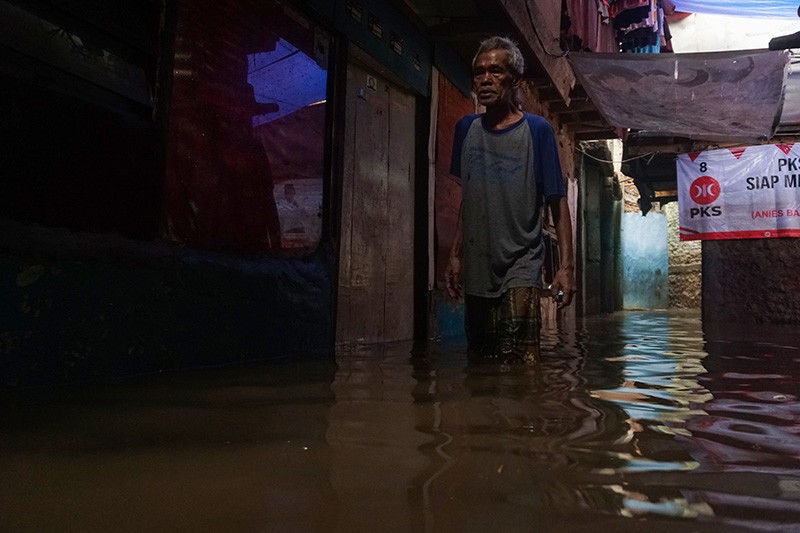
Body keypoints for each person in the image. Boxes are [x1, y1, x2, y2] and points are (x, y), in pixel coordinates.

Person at [444, 36, 575, 364]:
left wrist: (566, 268)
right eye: (479, 72)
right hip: (478, 266)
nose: (485, 79)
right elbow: (468, 197)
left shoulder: (537, 130)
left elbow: (557, 202)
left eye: (495, 71)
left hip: (522, 262)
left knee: (519, 364)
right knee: (481, 363)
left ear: (515, 80)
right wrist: (455, 255)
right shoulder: (466, 130)